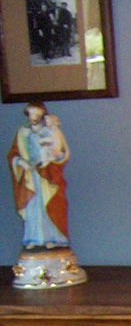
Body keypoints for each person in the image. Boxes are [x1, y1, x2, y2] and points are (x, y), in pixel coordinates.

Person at [9, 102, 71, 249]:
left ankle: (53, 238)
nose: (33, 117)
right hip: (29, 175)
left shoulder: (50, 131)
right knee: (32, 207)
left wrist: (56, 156)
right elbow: (13, 154)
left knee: (50, 205)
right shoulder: (22, 132)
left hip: (47, 175)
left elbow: (61, 152)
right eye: (31, 114)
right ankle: (33, 238)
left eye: (37, 115)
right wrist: (19, 161)